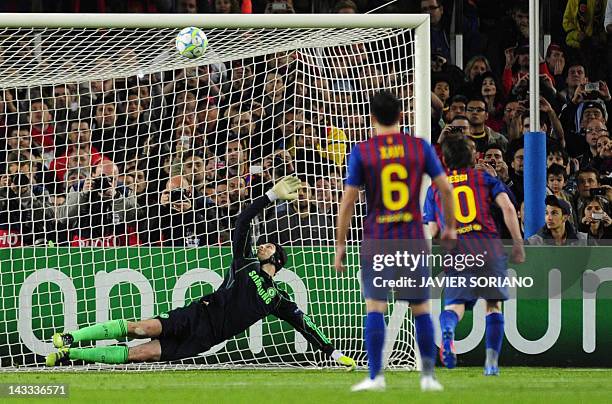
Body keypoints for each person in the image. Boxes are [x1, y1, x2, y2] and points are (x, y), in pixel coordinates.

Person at [46, 176, 356, 370]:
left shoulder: (277, 299)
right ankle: (72, 337)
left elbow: (305, 324)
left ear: (277, 256)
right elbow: (242, 221)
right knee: (140, 328)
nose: (262, 245)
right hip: (196, 316)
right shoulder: (243, 263)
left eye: (269, 246)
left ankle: (70, 355)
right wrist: (270, 197)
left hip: (205, 339)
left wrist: (332, 352)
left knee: (140, 355)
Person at [334, 91, 457, 392]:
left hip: (378, 239)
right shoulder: (419, 147)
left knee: (376, 306)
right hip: (413, 238)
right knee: (421, 308)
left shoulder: (362, 151)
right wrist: (450, 228)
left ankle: (376, 377)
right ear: (401, 116)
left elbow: (348, 201)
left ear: (372, 118)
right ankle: (428, 377)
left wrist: (340, 245)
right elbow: (445, 189)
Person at [423, 136, 524, 376]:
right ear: (475, 157)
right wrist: (518, 244)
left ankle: (448, 333)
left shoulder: (436, 187)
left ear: (445, 159)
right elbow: (509, 208)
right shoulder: (485, 179)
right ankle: (491, 363)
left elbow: (432, 229)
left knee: (455, 306)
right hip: (488, 246)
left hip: (458, 251)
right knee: (493, 306)